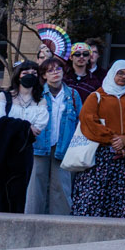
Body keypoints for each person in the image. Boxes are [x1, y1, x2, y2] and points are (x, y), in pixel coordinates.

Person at [73, 59, 125, 219]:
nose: (123, 77)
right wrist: (112, 138)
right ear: (111, 73)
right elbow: (88, 121)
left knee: (121, 197)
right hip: (100, 155)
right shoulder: (97, 96)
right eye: (120, 73)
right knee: (93, 195)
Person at [0, 64, 46, 213]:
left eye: (34, 73)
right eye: (26, 72)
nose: (30, 75)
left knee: (17, 193)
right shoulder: (5, 96)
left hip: (23, 152)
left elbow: (39, 127)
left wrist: (17, 126)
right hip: (2, 150)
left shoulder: (40, 101)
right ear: (18, 75)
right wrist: (25, 127)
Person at [28, 58, 79, 215]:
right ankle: (32, 220)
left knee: (61, 187)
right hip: (39, 145)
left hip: (63, 146)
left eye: (58, 69)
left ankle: (60, 223)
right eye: (50, 70)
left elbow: (79, 121)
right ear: (43, 75)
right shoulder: (36, 93)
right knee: (36, 186)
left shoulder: (72, 94)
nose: (55, 73)